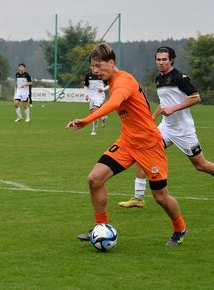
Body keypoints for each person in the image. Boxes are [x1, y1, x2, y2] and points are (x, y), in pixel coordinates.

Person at [66, 43, 187, 246]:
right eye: (92, 66)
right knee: (94, 179)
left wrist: (86, 121)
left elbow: (113, 104)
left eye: (98, 66)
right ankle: (100, 227)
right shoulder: (111, 81)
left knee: (160, 197)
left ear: (111, 63)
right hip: (127, 142)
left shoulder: (123, 82)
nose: (94, 71)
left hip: (149, 145)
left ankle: (180, 227)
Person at [119, 46, 214, 208]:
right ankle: (138, 197)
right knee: (143, 153)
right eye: (158, 59)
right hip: (166, 128)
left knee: (201, 165)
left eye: (164, 59)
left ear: (171, 60)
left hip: (183, 130)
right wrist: (151, 118)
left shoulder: (179, 77)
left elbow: (196, 98)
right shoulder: (158, 79)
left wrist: (173, 109)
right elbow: (164, 104)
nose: (161, 62)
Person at [84, 71, 109, 135]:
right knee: (93, 114)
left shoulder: (101, 74)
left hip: (100, 96)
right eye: (92, 66)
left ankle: (94, 130)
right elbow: (86, 86)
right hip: (91, 97)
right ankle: (103, 118)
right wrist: (86, 94)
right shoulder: (88, 75)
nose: (94, 68)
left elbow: (109, 84)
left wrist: (103, 89)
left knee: (95, 112)